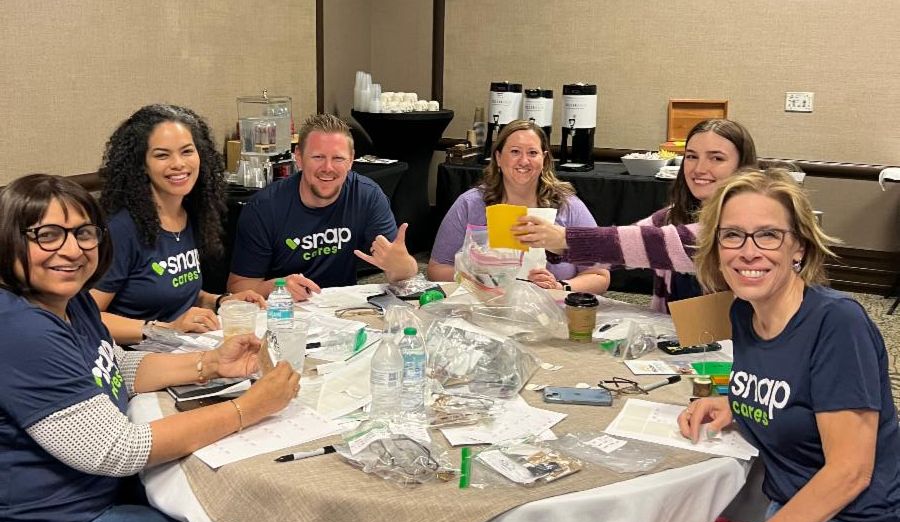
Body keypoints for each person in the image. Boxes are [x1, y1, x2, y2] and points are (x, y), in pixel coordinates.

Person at [0, 174, 300, 522]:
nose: (72, 250)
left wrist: (209, 364)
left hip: (90, 507)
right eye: (47, 235)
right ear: (8, 241)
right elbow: (118, 449)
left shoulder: (71, 302)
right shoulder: (20, 328)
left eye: (84, 233)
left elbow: (113, 368)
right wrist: (248, 408)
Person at [652, 169, 900, 522]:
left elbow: (850, 472)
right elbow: (794, 391)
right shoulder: (745, 313)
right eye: (733, 235)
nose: (749, 251)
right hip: (791, 519)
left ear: (798, 246)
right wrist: (736, 402)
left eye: (768, 235)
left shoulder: (838, 323)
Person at [513, 119, 758, 311]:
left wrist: (564, 238)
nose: (700, 168)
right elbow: (613, 255)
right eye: (692, 156)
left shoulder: (743, 225)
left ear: (742, 166)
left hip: (736, 347)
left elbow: (649, 244)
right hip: (681, 340)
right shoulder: (673, 216)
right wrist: (560, 283)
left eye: (716, 158)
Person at [91, 104, 265, 345]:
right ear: (141, 164)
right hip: (135, 357)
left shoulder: (192, 213)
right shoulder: (121, 229)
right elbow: (84, 318)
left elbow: (175, 294)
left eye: (186, 151)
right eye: (162, 155)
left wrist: (221, 301)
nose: (178, 164)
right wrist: (165, 329)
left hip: (186, 347)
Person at [227, 113, 418, 300]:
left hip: (342, 310)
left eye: (338, 158)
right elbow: (238, 289)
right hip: (283, 311)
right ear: (299, 157)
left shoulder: (367, 196)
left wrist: (402, 266)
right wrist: (279, 286)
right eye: (318, 157)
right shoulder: (264, 208)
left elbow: (402, 273)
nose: (328, 168)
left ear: (351, 160)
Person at [428, 119, 610, 294]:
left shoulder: (569, 207)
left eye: (532, 153)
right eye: (515, 151)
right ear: (498, 157)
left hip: (549, 309)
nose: (524, 161)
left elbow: (599, 275)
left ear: (544, 159)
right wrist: (477, 278)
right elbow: (437, 268)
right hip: (484, 307)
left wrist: (559, 287)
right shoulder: (470, 204)